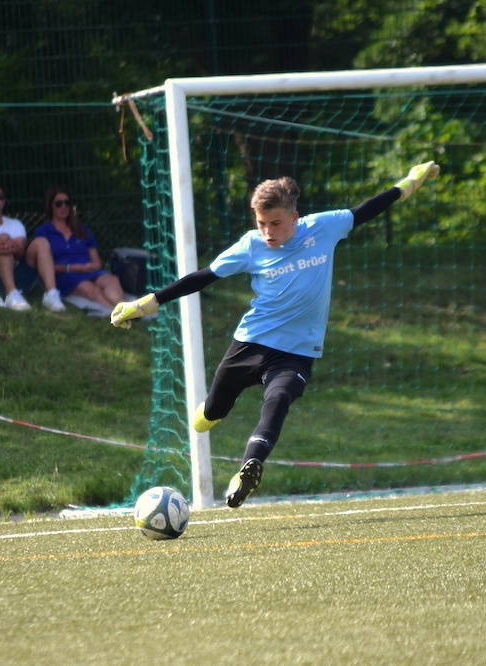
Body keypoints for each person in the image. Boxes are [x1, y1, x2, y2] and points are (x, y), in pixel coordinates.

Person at [110, 161, 441, 508]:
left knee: (278, 399)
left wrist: (409, 183)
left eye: (276, 223)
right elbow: (204, 276)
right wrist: (149, 302)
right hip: (249, 344)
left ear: (295, 217)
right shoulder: (251, 246)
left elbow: (367, 209)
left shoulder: (323, 228)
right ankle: (208, 411)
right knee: (209, 416)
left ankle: (248, 468)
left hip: (297, 353)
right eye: (261, 223)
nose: (268, 231)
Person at [0, 181, 65, 312]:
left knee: (41, 242)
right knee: (3, 241)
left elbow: (21, 254)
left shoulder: (15, 224)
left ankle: (51, 294)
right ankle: (12, 295)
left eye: (0, 197)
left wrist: (12, 247)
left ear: (4, 201)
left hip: (19, 277)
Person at [28, 185, 124, 316]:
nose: (64, 206)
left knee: (112, 280)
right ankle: (116, 313)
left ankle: (123, 306)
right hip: (65, 275)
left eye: (67, 203)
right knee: (91, 289)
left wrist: (93, 266)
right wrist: (73, 268)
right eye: (58, 203)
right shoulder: (43, 232)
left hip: (88, 271)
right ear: (50, 206)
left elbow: (96, 260)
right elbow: (45, 268)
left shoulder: (82, 229)